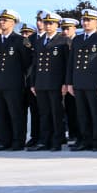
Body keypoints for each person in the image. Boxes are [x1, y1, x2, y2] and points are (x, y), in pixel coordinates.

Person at [65, 8, 97, 151]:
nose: (86, 22)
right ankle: (85, 140)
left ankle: (96, 141)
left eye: (89, 20)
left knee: (95, 114)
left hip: (94, 83)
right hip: (79, 81)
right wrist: (69, 82)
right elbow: (71, 63)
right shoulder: (77, 39)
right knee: (82, 114)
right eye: (84, 20)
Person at [0, 9, 32, 150]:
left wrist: (25, 82)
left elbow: (27, 63)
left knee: (16, 114)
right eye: (0, 20)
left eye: (5, 20)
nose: (1, 22)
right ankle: (4, 141)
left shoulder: (20, 40)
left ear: (13, 23)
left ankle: (18, 141)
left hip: (14, 83)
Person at [29, 12, 69, 151]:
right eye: (46, 23)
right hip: (41, 82)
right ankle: (44, 141)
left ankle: (57, 141)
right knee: (44, 113)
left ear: (57, 24)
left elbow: (67, 64)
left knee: (56, 113)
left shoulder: (63, 40)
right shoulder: (39, 40)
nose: (48, 25)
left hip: (55, 83)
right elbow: (35, 64)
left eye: (50, 23)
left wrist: (65, 83)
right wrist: (33, 83)